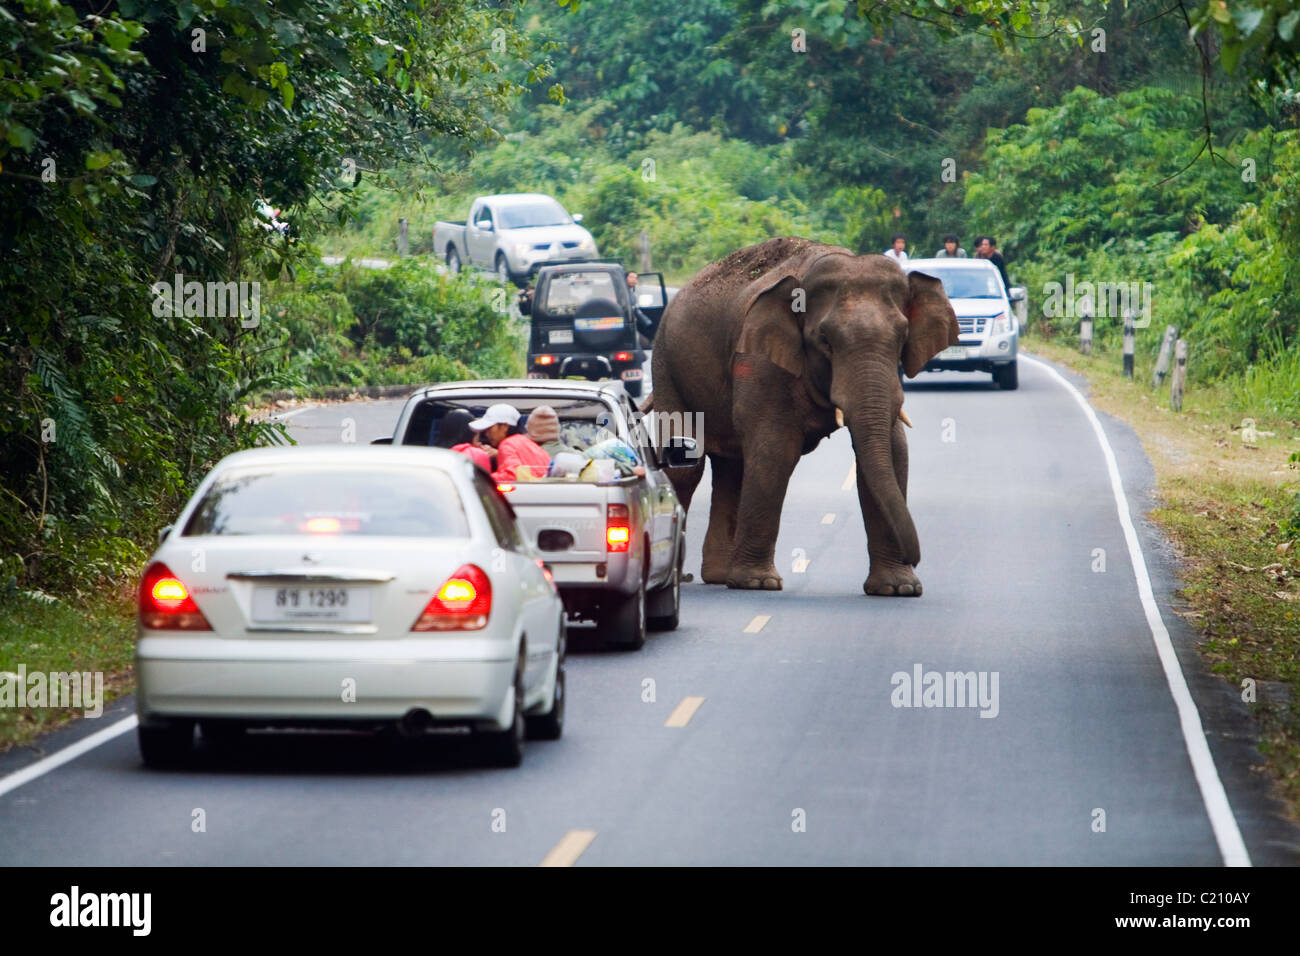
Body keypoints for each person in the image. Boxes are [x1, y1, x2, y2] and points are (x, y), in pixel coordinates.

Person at [470, 403, 551, 483]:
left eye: (489, 428)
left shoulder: (507, 445)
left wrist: (480, 479)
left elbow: (512, 476)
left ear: (505, 426)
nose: (487, 434)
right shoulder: (529, 443)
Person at [434, 408, 491, 472]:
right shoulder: (478, 454)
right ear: (469, 432)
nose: (478, 434)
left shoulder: (432, 455)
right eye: (475, 429)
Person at [626, 271, 656, 346]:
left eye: (636, 278)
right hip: (625, 325)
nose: (634, 280)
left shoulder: (631, 293)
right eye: (631, 277)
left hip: (632, 324)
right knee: (646, 344)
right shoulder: (620, 293)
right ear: (624, 278)